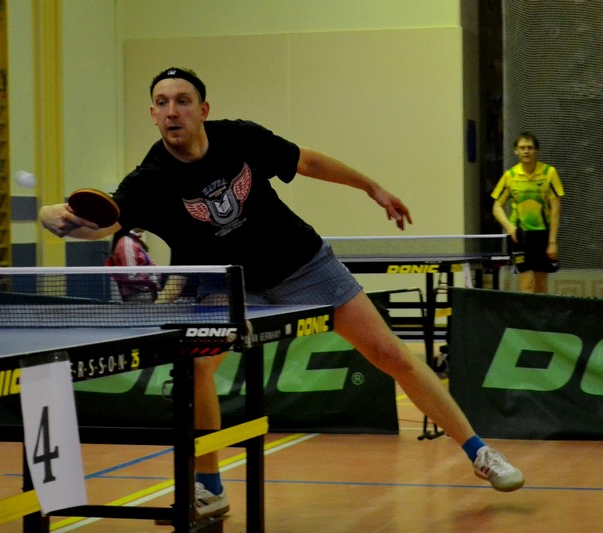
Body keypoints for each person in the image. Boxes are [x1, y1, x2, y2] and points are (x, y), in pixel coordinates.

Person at [40, 67, 525, 519]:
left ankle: (480, 452)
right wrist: (54, 218)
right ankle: (209, 487)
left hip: (301, 264)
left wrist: (371, 187)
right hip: (225, 284)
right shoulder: (149, 180)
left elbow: (306, 160)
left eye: (183, 101)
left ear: (203, 109)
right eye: (162, 103)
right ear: (152, 114)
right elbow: (104, 223)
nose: (172, 111)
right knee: (196, 368)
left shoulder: (240, 138)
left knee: (390, 353)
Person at [491, 131, 564, 293]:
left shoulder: (549, 173)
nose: (526, 151)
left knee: (541, 285)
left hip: (543, 235)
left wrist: (552, 242)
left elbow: (556, 209)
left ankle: (541, 311)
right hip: (520, 236)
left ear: (536, 150)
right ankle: (527, 311)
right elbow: (496, 207)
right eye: (522, 148)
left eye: (530, 148)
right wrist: (510, 228)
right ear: (516, 151)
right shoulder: (510, 176)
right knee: (526, 284)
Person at [105, 228, 160, 303]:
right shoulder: (127, 243)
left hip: (146, 294)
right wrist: (151, 284)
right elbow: (131, 276)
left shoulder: (134, 241)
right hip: (139, 297)